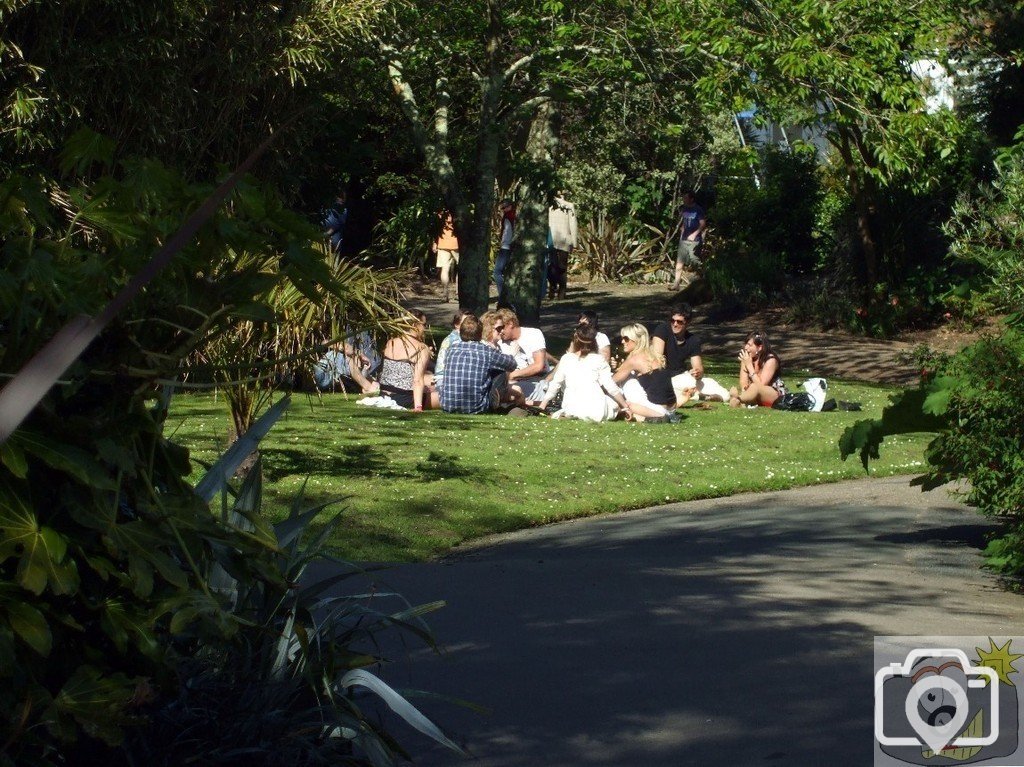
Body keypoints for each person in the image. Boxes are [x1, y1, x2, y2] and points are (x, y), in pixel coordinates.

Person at [539, 325, 631, 422]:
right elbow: (610, 385)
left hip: (572, 407)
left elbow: (555, 384)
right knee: (612, 404)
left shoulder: (566, 359)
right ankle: (621, 412)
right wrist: (625, 405)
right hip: (596, 408)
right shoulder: (599, 360)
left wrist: (543, 404)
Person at [439, 314, 520, 414]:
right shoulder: (486, 351)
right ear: (480, 333)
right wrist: (512, 353)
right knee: (500, 369)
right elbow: (511, 365)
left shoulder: (451, 349)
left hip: (447, 406)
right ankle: (497, 406)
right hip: (477, 408)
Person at [612, 324, 675, 420]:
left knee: (628, 383)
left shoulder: (634, 360)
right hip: (672, 407)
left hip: (657, 409)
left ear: (637, 340)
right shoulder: (654, 355)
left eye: (626, 338)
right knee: (630, 376)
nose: (622, 341)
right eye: (622, 338)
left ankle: (653, 416)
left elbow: (612, 381)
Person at [379, 310, 438, 411]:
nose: (425, 329)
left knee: (430, 382)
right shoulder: (421, 348)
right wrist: (418, 407)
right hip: (405, 398)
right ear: (415, 325)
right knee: (445, 397)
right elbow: (417, 380)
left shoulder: (391, 342)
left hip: (384, 395)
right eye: (424, 325)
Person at [651, 303, 705, 407]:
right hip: (662, 376)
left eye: (679, 322)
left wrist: (697, 372)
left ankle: (698, 395)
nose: (675, 324)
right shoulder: (662, 330)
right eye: (672, 320)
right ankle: (695, 395)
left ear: (688, 322)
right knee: (688, 383)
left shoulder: (693, 340)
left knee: (699, 382)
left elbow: (698, 367)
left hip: (681, 376)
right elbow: (657, 360)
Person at [496, 308, 549, 401]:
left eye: (501, 327)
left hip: (537, 379)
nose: (499, 331)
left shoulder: (533, 334)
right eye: (497, 328)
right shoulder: (499, 341)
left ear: (511, 324)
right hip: (513, 382)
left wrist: (512, 375)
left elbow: (539, 365)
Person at [729, 330, 786, 408]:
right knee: (751, 387)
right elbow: (743, 382)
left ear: (759, 348)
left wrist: (749, 366)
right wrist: (745, 389)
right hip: (754, 392)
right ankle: (741, 400)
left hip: (774, 394)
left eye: (749, 345)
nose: (746, 347)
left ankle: (738, 399)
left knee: (754, 387)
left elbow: (761, 386)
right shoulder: (747, 359)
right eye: (746, 344)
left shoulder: (771, 360)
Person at [312, 331, 381, 394]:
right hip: (321, 377)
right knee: (348, 360)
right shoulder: (334, 350)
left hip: (327, 377)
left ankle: (369, 383)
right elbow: (348, 349)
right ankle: (367, 387)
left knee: (351, 360)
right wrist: (359, 354)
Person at [669, 190, 706, 290]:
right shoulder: (684, 209)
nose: (683, 200)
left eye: (685, 198)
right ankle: (676, 284)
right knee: (679, 262)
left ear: (691, 199)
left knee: (695, 261)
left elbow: (703, 224)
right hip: (684, 239)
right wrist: (682, 231)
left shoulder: (698, 210)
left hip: (695, 240)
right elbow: (684, 222)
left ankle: (704, 279)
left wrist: (694, 234)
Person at [548, 194, 578, 300]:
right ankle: (554, 287)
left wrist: (574, 241)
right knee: (552, 266)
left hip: (563, 240)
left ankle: (561, 291)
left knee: (561, 267)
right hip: (551, 239)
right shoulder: (549, 205)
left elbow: (573, 223)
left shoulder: (568, 206)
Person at [434, 308, 472, 393]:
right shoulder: (454, 341)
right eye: (466, 323)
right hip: (446, 380)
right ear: (456, 325)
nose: (469, 326)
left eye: (471, 323)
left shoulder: (467, 339)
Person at [432, 211, 459, 303]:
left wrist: (435, 243)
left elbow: (436, 229)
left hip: (443, 243)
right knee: (461, 268)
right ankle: (458, 293)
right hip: (457, 243)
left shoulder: (441, 213)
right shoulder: (457, 209)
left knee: (444, 269)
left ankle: (445, 294)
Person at [492, 200, 515, 303]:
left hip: (506, 247)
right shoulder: (514, 216)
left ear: (509, 206)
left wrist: (503, 242)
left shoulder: (508, 217)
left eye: (503, 208)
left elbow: (507, 232)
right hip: (511, 247)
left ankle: (503, 295)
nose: (502, 210)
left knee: (497, 272)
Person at [323, 190, 349, 255]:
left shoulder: (343, 209)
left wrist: (326, 234)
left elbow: (338, 224)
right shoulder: (329, 205)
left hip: (333, 236)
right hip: (326, 233)